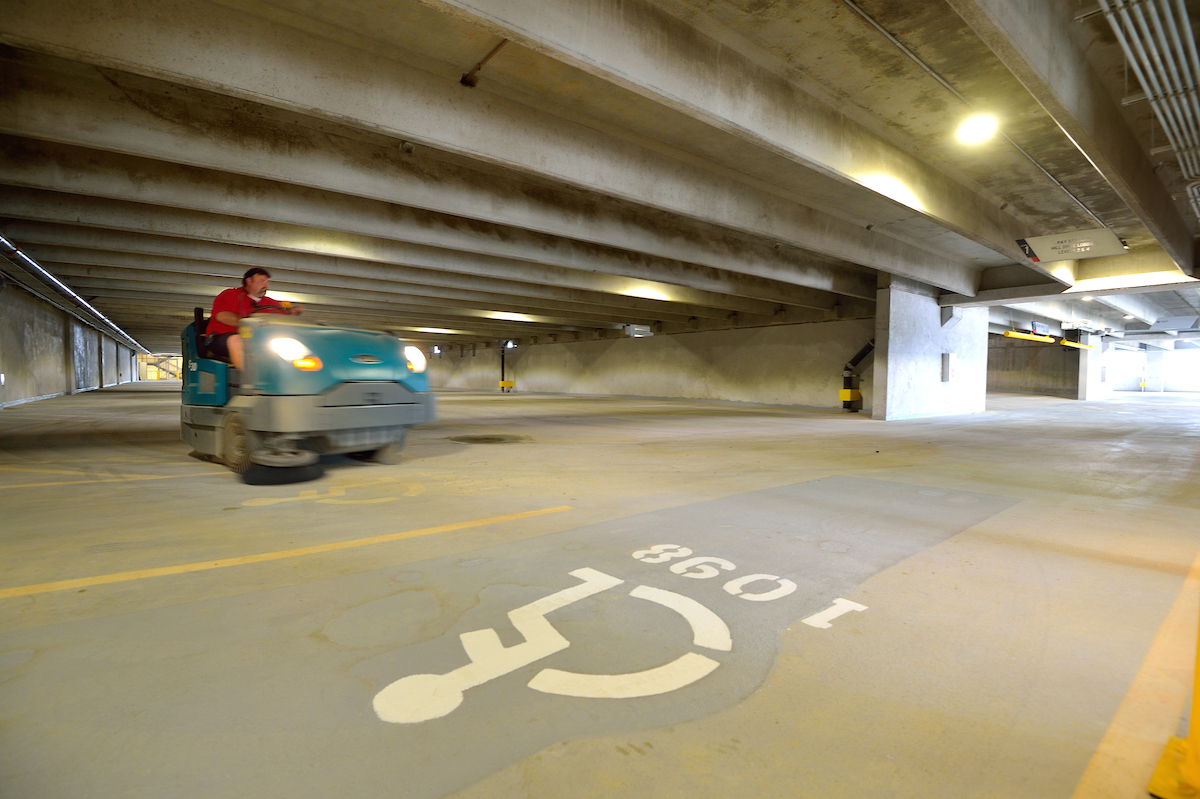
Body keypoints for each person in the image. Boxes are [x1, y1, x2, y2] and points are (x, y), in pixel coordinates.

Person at [205, 268, 302, 370]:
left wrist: (291, 313)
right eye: (262, 281)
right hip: (222, 338)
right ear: (249, 281)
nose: (266, 285)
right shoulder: (230, 295)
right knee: (237, 340)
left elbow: (281, 321)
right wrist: (253, 323)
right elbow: (222, 316)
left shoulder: (272, 304)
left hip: (259, 340)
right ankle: (248, 380)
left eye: (267, 282)